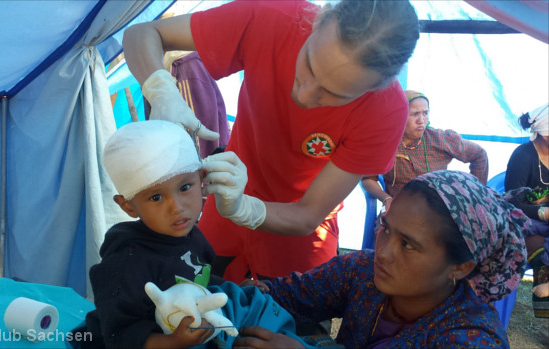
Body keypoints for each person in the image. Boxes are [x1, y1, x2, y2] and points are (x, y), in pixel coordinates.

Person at [122, 0, 420, 283]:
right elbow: (143, 33)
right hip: (227, 197)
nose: (304, 96)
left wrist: (243, 208)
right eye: (309, 64)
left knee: (292, 327)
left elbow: (307, 215)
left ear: (374, 89)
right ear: (318, 20)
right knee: (195, 295)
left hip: (297, 231)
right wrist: (160, 90)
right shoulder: (272, 16)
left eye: (334, 95)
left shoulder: (387, 111)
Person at [233, 170, 529, 348]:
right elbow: (290, 295)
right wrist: (250, 295)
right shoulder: (361, 271)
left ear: (460, 268)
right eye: (386, 228)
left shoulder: (473, 338)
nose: (384, 252)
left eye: (408, 245)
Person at [78, 120, 305, 349]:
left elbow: (201, 277)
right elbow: (118, 333)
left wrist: (237, 285)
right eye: (156, 197)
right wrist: (171, 342)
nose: (176, 207)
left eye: (185, 187)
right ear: (128, 206)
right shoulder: (125, 262)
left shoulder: (192, 236)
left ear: (201, 178)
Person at [361, 90, 489, 211]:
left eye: (425, 113)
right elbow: (368, 179)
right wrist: (386, 199)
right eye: (415, 114)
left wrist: (475, 195)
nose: (421, 120)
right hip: (401, 210)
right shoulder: (385, 143)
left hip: (439, 210)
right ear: (398, 116)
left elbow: (479, 155)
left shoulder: (441, 139)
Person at [504, 103, 549, 318]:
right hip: (525, 223)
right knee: (542, 255)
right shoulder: (523, 157)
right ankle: (546, 323)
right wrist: (543, 213)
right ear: (544, 133)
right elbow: (511, 204)